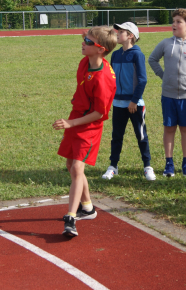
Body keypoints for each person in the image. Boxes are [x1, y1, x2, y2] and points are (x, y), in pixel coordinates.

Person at [53, 26, 117, 236]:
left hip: (89, 125)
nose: (83, 42)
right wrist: (72, 121)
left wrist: (72, 124)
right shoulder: (84, 63)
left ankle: (71, 217)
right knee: (71, 164)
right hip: (76, 117)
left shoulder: (103, 79)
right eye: (84, 38)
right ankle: (88, 207)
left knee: (78, 168)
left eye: (88, 42)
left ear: (101, 50)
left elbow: (99, 113)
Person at [148, 8, 186, 177]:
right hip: (168, 95)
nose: (173, 24)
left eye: (178, 22)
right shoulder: (166, 44)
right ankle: (169, 163)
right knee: (169, 128)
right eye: (173, 21)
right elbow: (152, 59)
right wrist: (163, 75)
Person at [102, 22, 156, 181]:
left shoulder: (137, 54)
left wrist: (134, 101)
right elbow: (111, 79)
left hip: (134, 105)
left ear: (130, 36)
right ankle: (113, 166)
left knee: (141, 136)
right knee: (116, 136)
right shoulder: (116, 54)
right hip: (118, 103)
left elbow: (142, 80)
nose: (117, 34)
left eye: (121, 32)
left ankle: (147, 166)